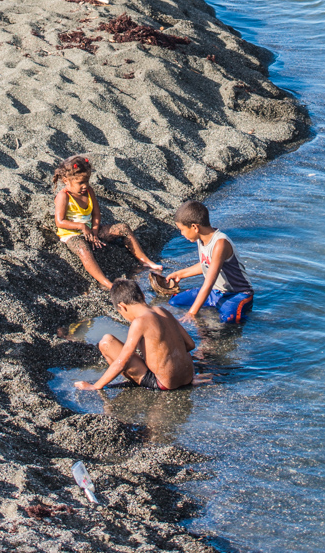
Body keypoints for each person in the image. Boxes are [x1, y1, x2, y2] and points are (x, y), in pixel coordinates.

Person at [54, 154, 162, 291]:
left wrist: (94, 231)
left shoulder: (89, 191)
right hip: (72, 234)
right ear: (66, 180)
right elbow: (60, 222)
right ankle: (105, 281)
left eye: (87, 181)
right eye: (80, 183)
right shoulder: (63, 196)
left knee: (123, 228)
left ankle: (144, 260)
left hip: (91, 230)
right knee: (83, 249)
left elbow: (96, 214)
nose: (85, 185)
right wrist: (81, 226)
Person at [74, 279, 202, 392]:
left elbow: (122, 362)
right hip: (188, 377)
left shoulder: (139, 322)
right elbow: (190, 344)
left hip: (163, 384)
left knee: (106, 342)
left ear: (122, 307)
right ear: (142, 296)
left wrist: (96, 386)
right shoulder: (162, 311)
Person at [162, 200, 254, 324]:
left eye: (182, 229)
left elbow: (209, 283)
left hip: (237, 295)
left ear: (195, 227)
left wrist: (191, 313)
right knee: (174, 302)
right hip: (215, 293)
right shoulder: (200, 239)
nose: (182, 233)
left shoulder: (220, 244)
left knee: (229, 321)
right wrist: (180, 274)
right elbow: (206, 265)